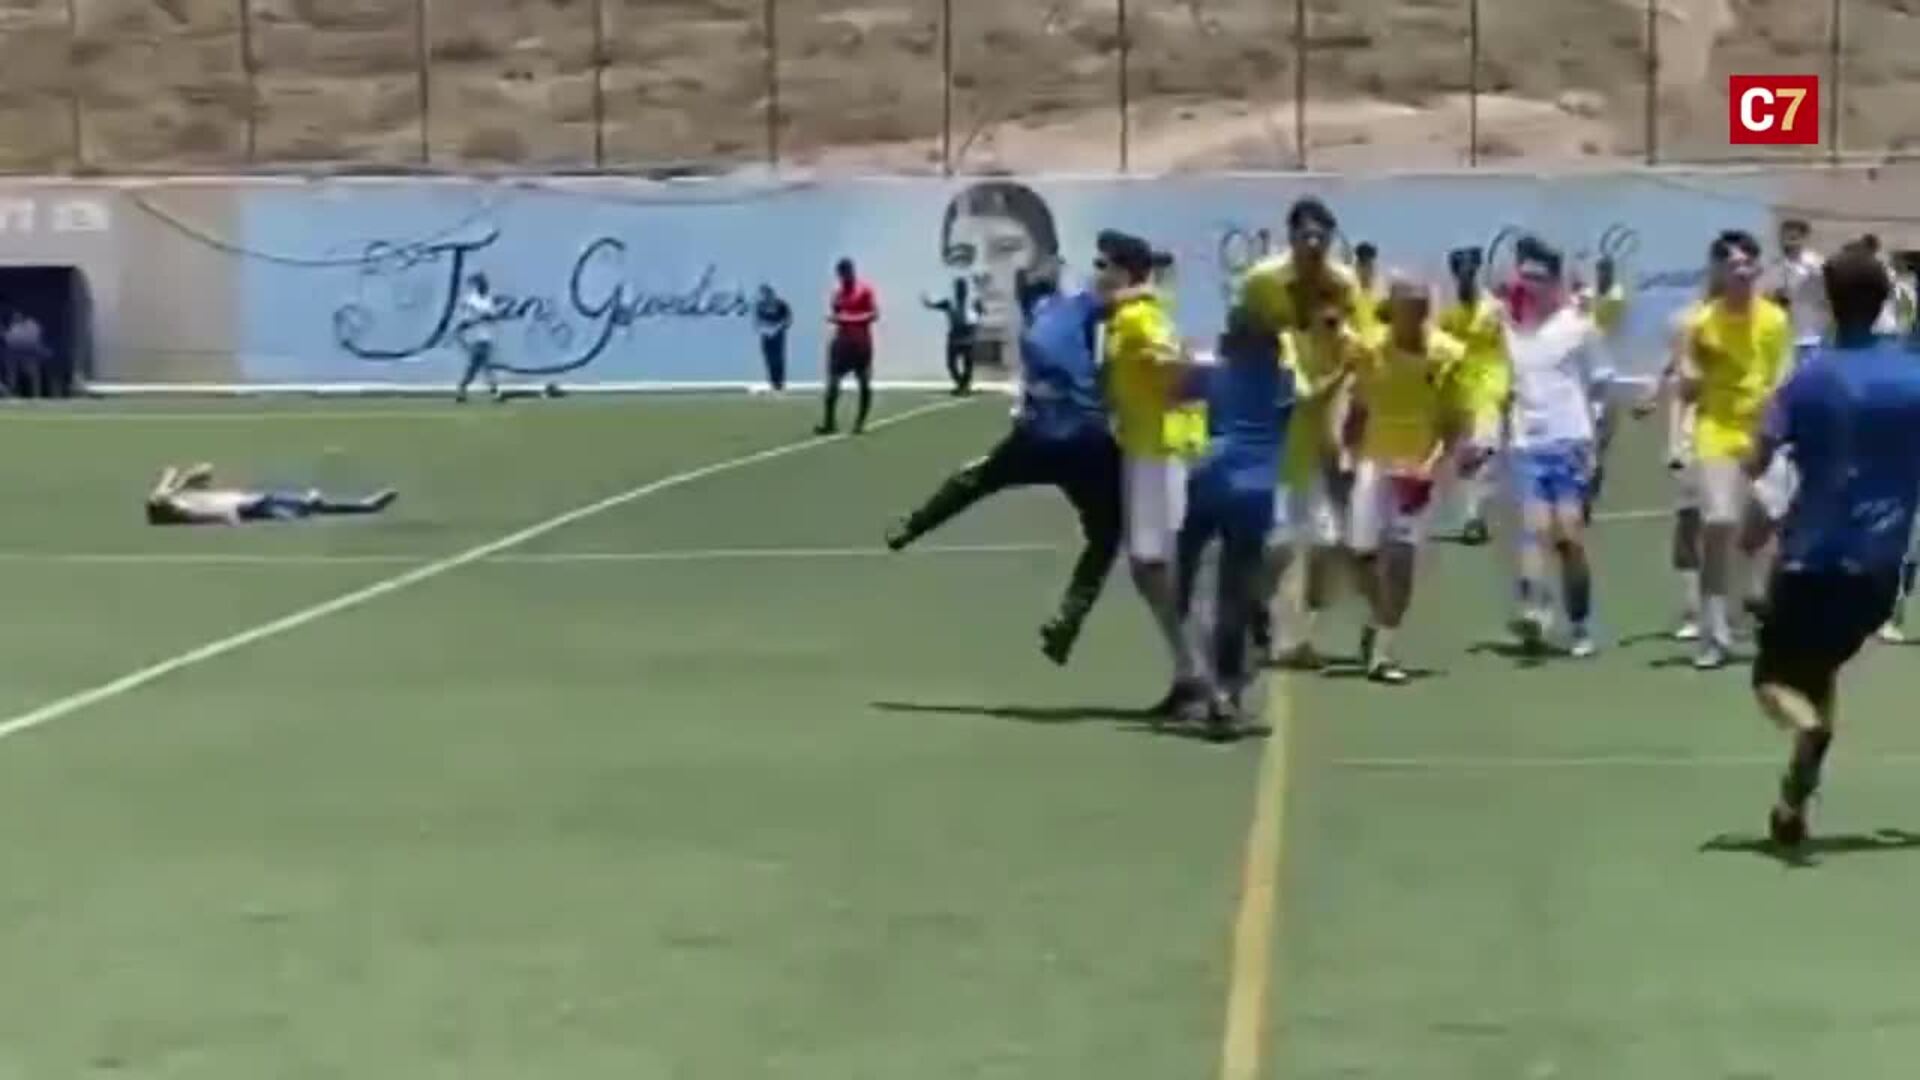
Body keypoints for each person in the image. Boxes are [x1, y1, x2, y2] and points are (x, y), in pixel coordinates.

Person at [1745, 246, 1920, 848]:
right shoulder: (1912, 375)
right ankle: (1792, 804)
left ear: (1826, 301)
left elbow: (1758, 459)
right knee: (1820, 672)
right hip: (1878, 572)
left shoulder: (1809, 379)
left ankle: (1807, 733)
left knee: (1773, 681)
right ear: (1885, 301)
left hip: (1809, 561)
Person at [884, 256, 1122, 666]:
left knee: (978, 479)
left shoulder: (1031, 323)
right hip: (1086, 440)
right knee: (1105, 535)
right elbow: (1115, 299)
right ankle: (1069, 617)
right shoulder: (1075, 306)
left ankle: (913, 525)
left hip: (1037, 439)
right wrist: (1144, 284)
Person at [1234, 197, 1370, 667]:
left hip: (1323, 426)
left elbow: (1363, 348)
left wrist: (1352, 414)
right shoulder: (1262, 282)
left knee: (1329, 543)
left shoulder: (1344, 283)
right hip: (1273, 426)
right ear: (1290, 236)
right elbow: (1241, 338)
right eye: (1305, 235)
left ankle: (1289, 624)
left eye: (1321, 236)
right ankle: (1268, 623)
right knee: (1279, 541)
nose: (1313, 244)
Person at [1098, 229, 1208, 714]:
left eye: (1104, 265)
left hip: (1161, 452)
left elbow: (1180, 372)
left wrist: (1176, 382)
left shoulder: (1139, 319)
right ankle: (1189, 669)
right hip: (1142, 448)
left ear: (1124, 271)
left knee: (1164, 567)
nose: (1098, 273)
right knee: (1147, 568)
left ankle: (1212, 675)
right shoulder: (1128, 316)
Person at [1174, 307, 1295, 736]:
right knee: (1234, 593)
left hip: (1211, 478)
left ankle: (1195, 675)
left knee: (1183, 577)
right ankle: (1226, 690)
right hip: (1256, 489)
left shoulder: (1212, 376)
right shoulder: (1284, 382)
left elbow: (1172, 390)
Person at [1679, 230, 1793, 669]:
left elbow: (1784, 377)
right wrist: (1694, 371)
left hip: (1764, 431)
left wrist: (1772, 425)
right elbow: (1687, 384)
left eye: (1748, 263)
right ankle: (1713, 631)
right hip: (1717, 429)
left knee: (1765, 528)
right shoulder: (1701, 322)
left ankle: (1758, 598)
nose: (1742, 271)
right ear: (1718, 271)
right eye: (1733, 264)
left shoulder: (1774, 320)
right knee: (1718, 520)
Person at [1346, 275, 1467, 683]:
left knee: (1400, 560)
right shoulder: (1370, 350)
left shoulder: (1447, 355)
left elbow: (1454, 423)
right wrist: (1345, 457)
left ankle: (1383, 652)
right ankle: (1377, 616)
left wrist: (1430, 466)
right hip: (1373, 463)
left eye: (1422, 308)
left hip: (1416, 469)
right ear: (1392, 312)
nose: (1416, 316)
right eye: (1408, 308)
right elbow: (1357, 409)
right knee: (1361, 554)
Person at [1502, 236, 1614, 659]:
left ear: (1554, 281)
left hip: (1572, 445)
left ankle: (1580, 622)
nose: (1529, 286)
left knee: (1569, 537)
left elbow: (1602, 389)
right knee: (1534, 528)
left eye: (1538, 278)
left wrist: (1598, 449)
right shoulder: (1508, 326)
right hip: (1527, 444)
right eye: (1524, 277)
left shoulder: (1578, 327)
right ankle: (1535, 610)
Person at [1437, 246, 1507, 545]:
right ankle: (1472, 514)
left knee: (1485, 454)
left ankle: (1474, 519)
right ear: (1455, 275)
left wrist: (1513, 387)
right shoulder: (1448, 314)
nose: (1465, 277)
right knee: (1465, 462)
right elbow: (1439, 352)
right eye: (1460, 272)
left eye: (1470, 271)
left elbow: (1512, 348)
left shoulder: (1496, 310)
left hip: (1490, 391)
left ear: (1476, 272)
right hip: (1457, 394)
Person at [145, 464, 397, 526]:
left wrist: (179, 480)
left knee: (311, 506)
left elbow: (199, 472)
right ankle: (366, 507)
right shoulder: (181, 509)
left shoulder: (174, 500)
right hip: (244, 507)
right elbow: (165, 492)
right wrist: (181, 480)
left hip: (246, 502)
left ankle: (367, 507)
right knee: (305, 508)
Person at [818, 258, 878, 436]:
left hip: (861, 346)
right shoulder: (837, 294)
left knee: (864, 384)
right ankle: (829, 422)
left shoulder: (865, 290)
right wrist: (836, 319)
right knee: (833, 385)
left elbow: (874, 314)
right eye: (842, 274)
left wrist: (850, 318)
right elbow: (837, 315)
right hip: (842, 346)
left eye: (848, 272)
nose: (845, 276)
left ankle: (860, 423)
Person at [923, 277, 980, 396]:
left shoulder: (973, 302)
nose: (961, 291)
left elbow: (980, 312)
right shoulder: (950, 302)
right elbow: (935, 305)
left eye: (962, 288)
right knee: (951, 364)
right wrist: (928, 302)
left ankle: (964, 386)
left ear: (966, 290)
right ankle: (961, 384)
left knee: (968, 364)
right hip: (955, 336)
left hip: (968, 336)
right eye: (959, 288)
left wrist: (975, 323)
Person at [453, 273, 502, 403]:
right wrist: (476, 319)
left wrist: (487, 317)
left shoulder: (488, 300)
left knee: (479, 367)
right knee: (482, 366)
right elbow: (466, 320)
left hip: (486, 338)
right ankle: (494, 392)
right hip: (475, 338)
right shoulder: (471, 300)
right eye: (482, 284)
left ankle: (462, 390)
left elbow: (493, 316)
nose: (484, 286)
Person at [753, 284, 792, 393]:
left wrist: (778, 326)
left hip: (778, 335)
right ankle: (772, 382)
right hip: (766, 335)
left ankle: (780, 383)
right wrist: (764, 328)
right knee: (768, 358)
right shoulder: (760, 306)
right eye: (763, 294)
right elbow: (757, 321)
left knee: (778, 359)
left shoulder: (781, 304)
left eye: (767, 294)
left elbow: (788, 319)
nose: (765, 296)